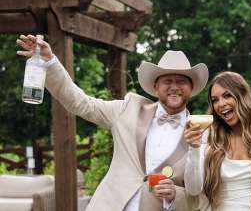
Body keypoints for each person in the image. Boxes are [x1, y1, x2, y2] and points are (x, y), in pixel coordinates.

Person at [16, 34, 208, 211]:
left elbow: (198, 195)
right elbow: (81, 103)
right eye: (168, 81)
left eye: (181, 81)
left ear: (191, 88)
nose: (174, 87)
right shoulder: (127, 109)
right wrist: (50, 63)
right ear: (156, 87)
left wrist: (176, 195)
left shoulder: (202, 132)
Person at [184, 71, 251, 211]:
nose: (220, 104)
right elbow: (192, 190)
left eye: (227, 95)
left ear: (243, 96)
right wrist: (194, 148)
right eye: (215, 100)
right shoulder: (209, 137)